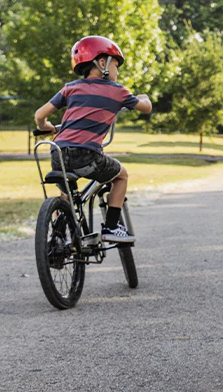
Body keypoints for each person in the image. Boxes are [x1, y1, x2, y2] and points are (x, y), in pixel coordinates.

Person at [33, 35, 152, 244]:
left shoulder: (70, 88)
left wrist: (47, 128)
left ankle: (58, 237)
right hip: (87, 155)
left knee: (66, 194)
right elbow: (146, 108)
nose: (117, 71)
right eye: (116, 65)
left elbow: (39, 116)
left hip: (57, 153)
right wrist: (143, 97)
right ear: (103, 63)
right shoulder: (118, 91)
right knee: (121, 176)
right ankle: (112, 227)